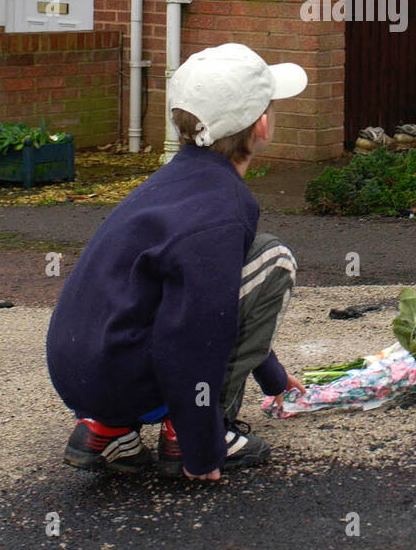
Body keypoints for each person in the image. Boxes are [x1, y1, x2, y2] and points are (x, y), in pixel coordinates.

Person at [46, 43, 307, 481]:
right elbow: (196, 329)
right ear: (261, 125)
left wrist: (273, 376)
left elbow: (209, 292)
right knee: (273, 257)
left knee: (183, 291)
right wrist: (201, 449)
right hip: (128, 376)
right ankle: (188, 431)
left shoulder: (171, 181)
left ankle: (106, 430)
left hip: (81, 375)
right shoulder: (221, 207)